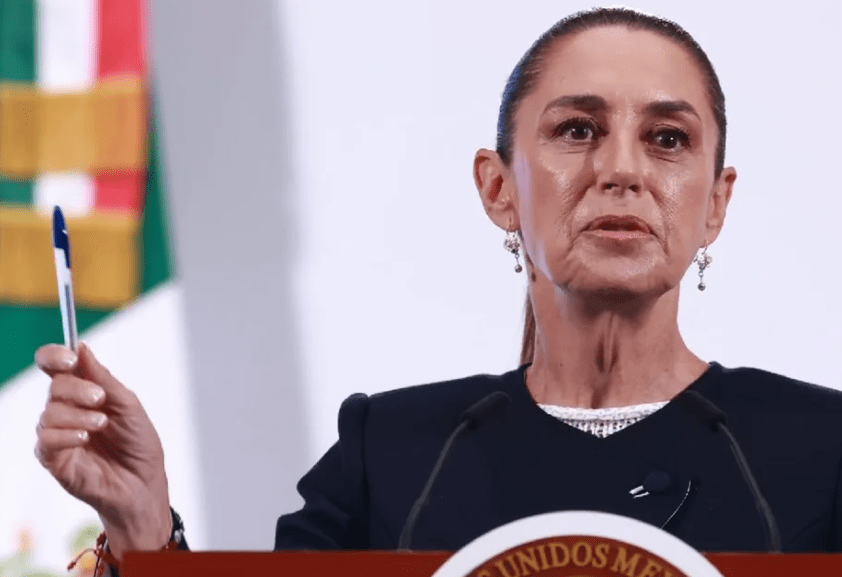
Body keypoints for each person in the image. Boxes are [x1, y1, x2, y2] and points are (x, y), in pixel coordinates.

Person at [32, 6, 842, 573]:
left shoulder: (821, 448)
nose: (621, 169)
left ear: (716, 203)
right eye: (577, 129)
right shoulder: (389, 453)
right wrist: (141, 525)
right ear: (498, 188)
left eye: (667, 138)